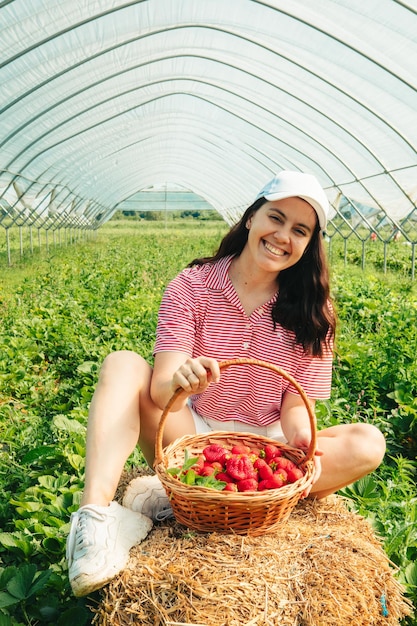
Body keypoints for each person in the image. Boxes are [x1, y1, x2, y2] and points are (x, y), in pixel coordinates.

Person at [66, 170, 386, 597]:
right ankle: (95, 520)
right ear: (251, 217)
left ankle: (183, 502)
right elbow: (161, 392)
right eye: (276, 217)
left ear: (310, 244)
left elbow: (295, 405)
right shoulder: (193, 285)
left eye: (300, 230)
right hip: (193, 434)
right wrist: (182, 383)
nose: (282, 236)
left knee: (368, 442)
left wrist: (302, 445)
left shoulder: (313, 309)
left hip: (269, 447)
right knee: (122, 364)